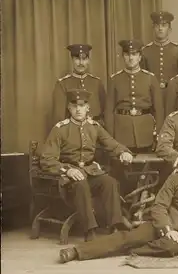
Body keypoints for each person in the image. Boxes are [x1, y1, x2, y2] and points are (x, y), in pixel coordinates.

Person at [58, 133, 178, 263]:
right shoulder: (175, 176)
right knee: (127, 236)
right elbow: (159, 206)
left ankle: (132, 250)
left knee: (171, 248)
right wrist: (167, 228)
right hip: (168, 221)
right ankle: (77, 252)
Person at [40, 89, 134, 242]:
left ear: (88, 108)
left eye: (82, 105)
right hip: (69, 178)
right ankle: (89, 230)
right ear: (69, 108)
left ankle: (115, 225)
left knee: (109, 182)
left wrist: (123, 152)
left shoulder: (94, 126)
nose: (78, 109)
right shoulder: (60, 129)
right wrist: (68, 170)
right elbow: (47, 159)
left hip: (90, 173)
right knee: (80, 184)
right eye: (74, 106)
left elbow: (111, 143)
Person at [104, 39, 164, 153]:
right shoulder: (115, 79)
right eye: (127, 54)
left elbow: (158, 110)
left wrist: (158, 134)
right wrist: (111, 137)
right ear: (123, 57)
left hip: (145, 131)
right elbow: (108, 111)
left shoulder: (150, 78)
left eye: (134, 54)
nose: (131, 58)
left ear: (140, 57)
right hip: (122, 132)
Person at [52, 44, 105, 125]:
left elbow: (105, 111)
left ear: (88, 60)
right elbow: (59, 117)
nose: (81, 63)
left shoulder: (97, 83)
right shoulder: (62, 84)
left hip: (95, 130)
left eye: (84, 59)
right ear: (72, 60)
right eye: (77, 59)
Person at [142, 11, 178, 99]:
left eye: (164, 25)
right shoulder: (145, 51)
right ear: (153, 28)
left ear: (169, 29)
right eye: (157, 25)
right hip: (151, 96)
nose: (160, 28)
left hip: (173, 95)